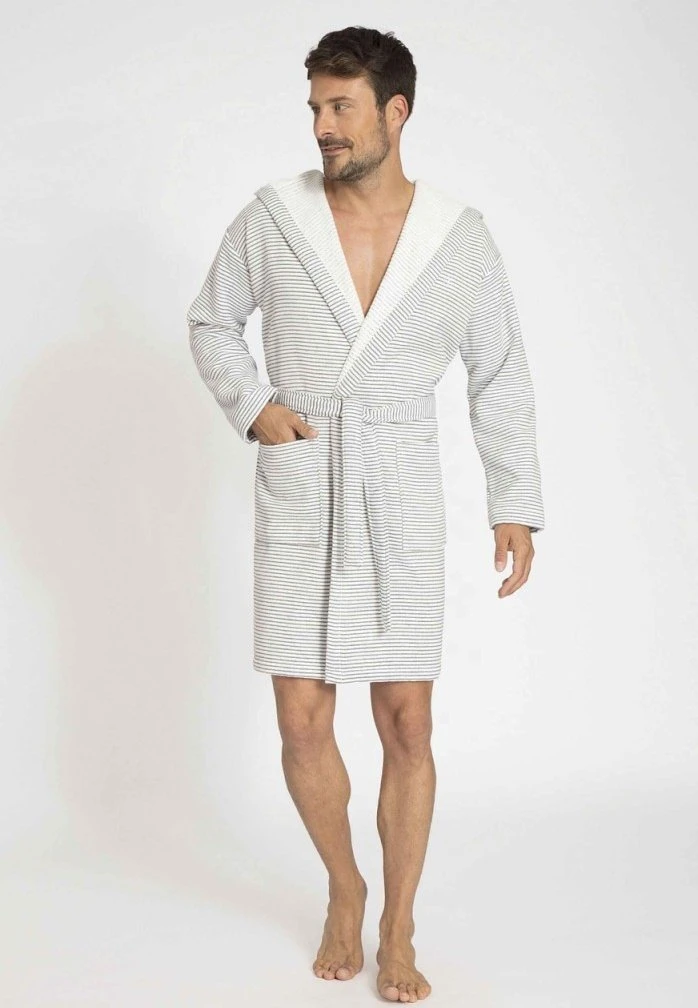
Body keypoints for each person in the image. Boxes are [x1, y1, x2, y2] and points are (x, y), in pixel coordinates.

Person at [186, 25, 545, 1004]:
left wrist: (512, 502)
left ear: (396, 111)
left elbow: (499, 372)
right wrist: (256, 407)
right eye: (314, 107)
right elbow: (211, 320)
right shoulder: (274, 218)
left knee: (407, 722)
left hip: (399, 483)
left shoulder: (458, 238)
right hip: (304, 478)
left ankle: (398, 923)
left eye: (340, 106)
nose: (322, 126)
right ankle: (344, 886)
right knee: (302, 721)